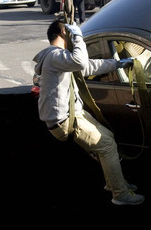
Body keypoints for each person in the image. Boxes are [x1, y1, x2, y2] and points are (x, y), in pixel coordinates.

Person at [33, 20, 144, 206]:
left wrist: (117, 64)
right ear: (63, 33)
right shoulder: (54, 56)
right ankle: (120, 194)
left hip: (72, 114)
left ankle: (114, 183)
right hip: (65, 120)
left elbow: (88, 66)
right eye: (69, 32)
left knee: (108, 138)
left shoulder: (58, 58)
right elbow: (81, 60)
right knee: (106, 145)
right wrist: (78, 37)